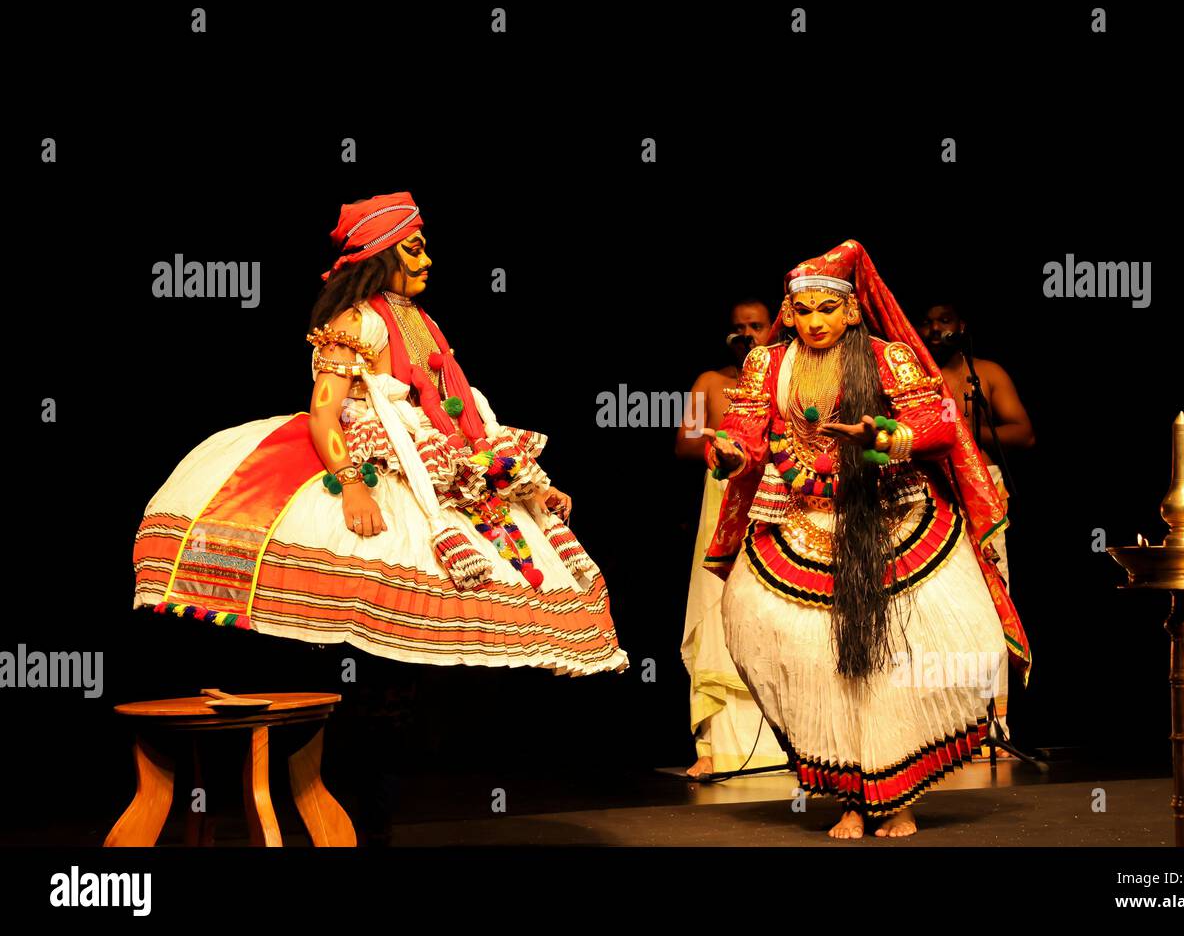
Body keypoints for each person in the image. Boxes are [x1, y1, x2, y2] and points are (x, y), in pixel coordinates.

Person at [132, 192, 626, 678]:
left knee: (471, 616)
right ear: (379, 255)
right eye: (414, 249)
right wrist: (350, 484)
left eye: (425, 246)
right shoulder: (357, 320)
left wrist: (534, 488)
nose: (428, 259)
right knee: (365, 613)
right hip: (382, 462)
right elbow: (324, 415)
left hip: (440, 467)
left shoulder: (424, 323)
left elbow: (470, 416)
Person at [702, 240, 1030, 839]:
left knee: (893, 663)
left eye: (828, 310)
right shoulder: (768, 365)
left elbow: (937, 422)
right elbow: (746, 428)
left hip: (891, 521)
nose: (816, 322)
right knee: (810, 660)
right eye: (804, 312)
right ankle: (850, 797)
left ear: (851, 311)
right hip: (798, 523)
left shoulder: (888, 358)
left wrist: (882, 434)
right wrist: (728, 449)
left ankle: (897, 796)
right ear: (790, 312)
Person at [675, 299, 787, 778]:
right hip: (723, 492)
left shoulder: (788, 376)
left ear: (772, 329)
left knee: (776, 604)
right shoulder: (711, 382)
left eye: (756, 326)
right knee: (717, 602)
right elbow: (683, 443)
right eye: (738, 328)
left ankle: (792, 742)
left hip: (777, 494)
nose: (747, 334)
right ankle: (716, 745)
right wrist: (724, 445)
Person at [918, 301, 1036, 753]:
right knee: (940, 606)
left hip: (984, 488)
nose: (934, 329)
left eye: (943, 320)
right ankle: (943, 728)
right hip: (930, 495)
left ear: (961, 325)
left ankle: (994, 723)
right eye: (926, 322)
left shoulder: (982, 373)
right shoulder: (911, 372)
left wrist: (967, 434)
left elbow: (1023, 432)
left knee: (991, 594)